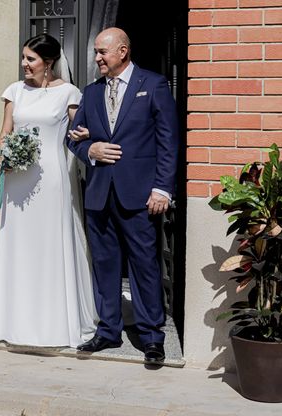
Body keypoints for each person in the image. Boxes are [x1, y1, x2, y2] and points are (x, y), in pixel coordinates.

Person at [67, 27, 179, 364]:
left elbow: (168, 142)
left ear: (123, 51)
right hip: (100, 195)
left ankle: (151, 337)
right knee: (105, 266)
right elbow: (72, 138)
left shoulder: (153, 85)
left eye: (102, 52)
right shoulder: (90, 92)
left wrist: (162, 188)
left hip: (140, 196)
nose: (97, 58)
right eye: (97, 53)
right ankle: (108, 331)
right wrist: (91, 148)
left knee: (144, 266)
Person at [0, 34, 97, 347]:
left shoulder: (70, 94)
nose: (24, 64)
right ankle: (11, 321)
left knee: (48, 246)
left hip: (51, 180)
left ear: (48, 63)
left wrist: (88, 135)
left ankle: (53, 323)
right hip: (17, 179)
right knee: (18, 246)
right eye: (23, 58)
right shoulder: (14, 91)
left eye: (30, 59)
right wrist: (7, 152)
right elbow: (5, 133)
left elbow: (77, 134)